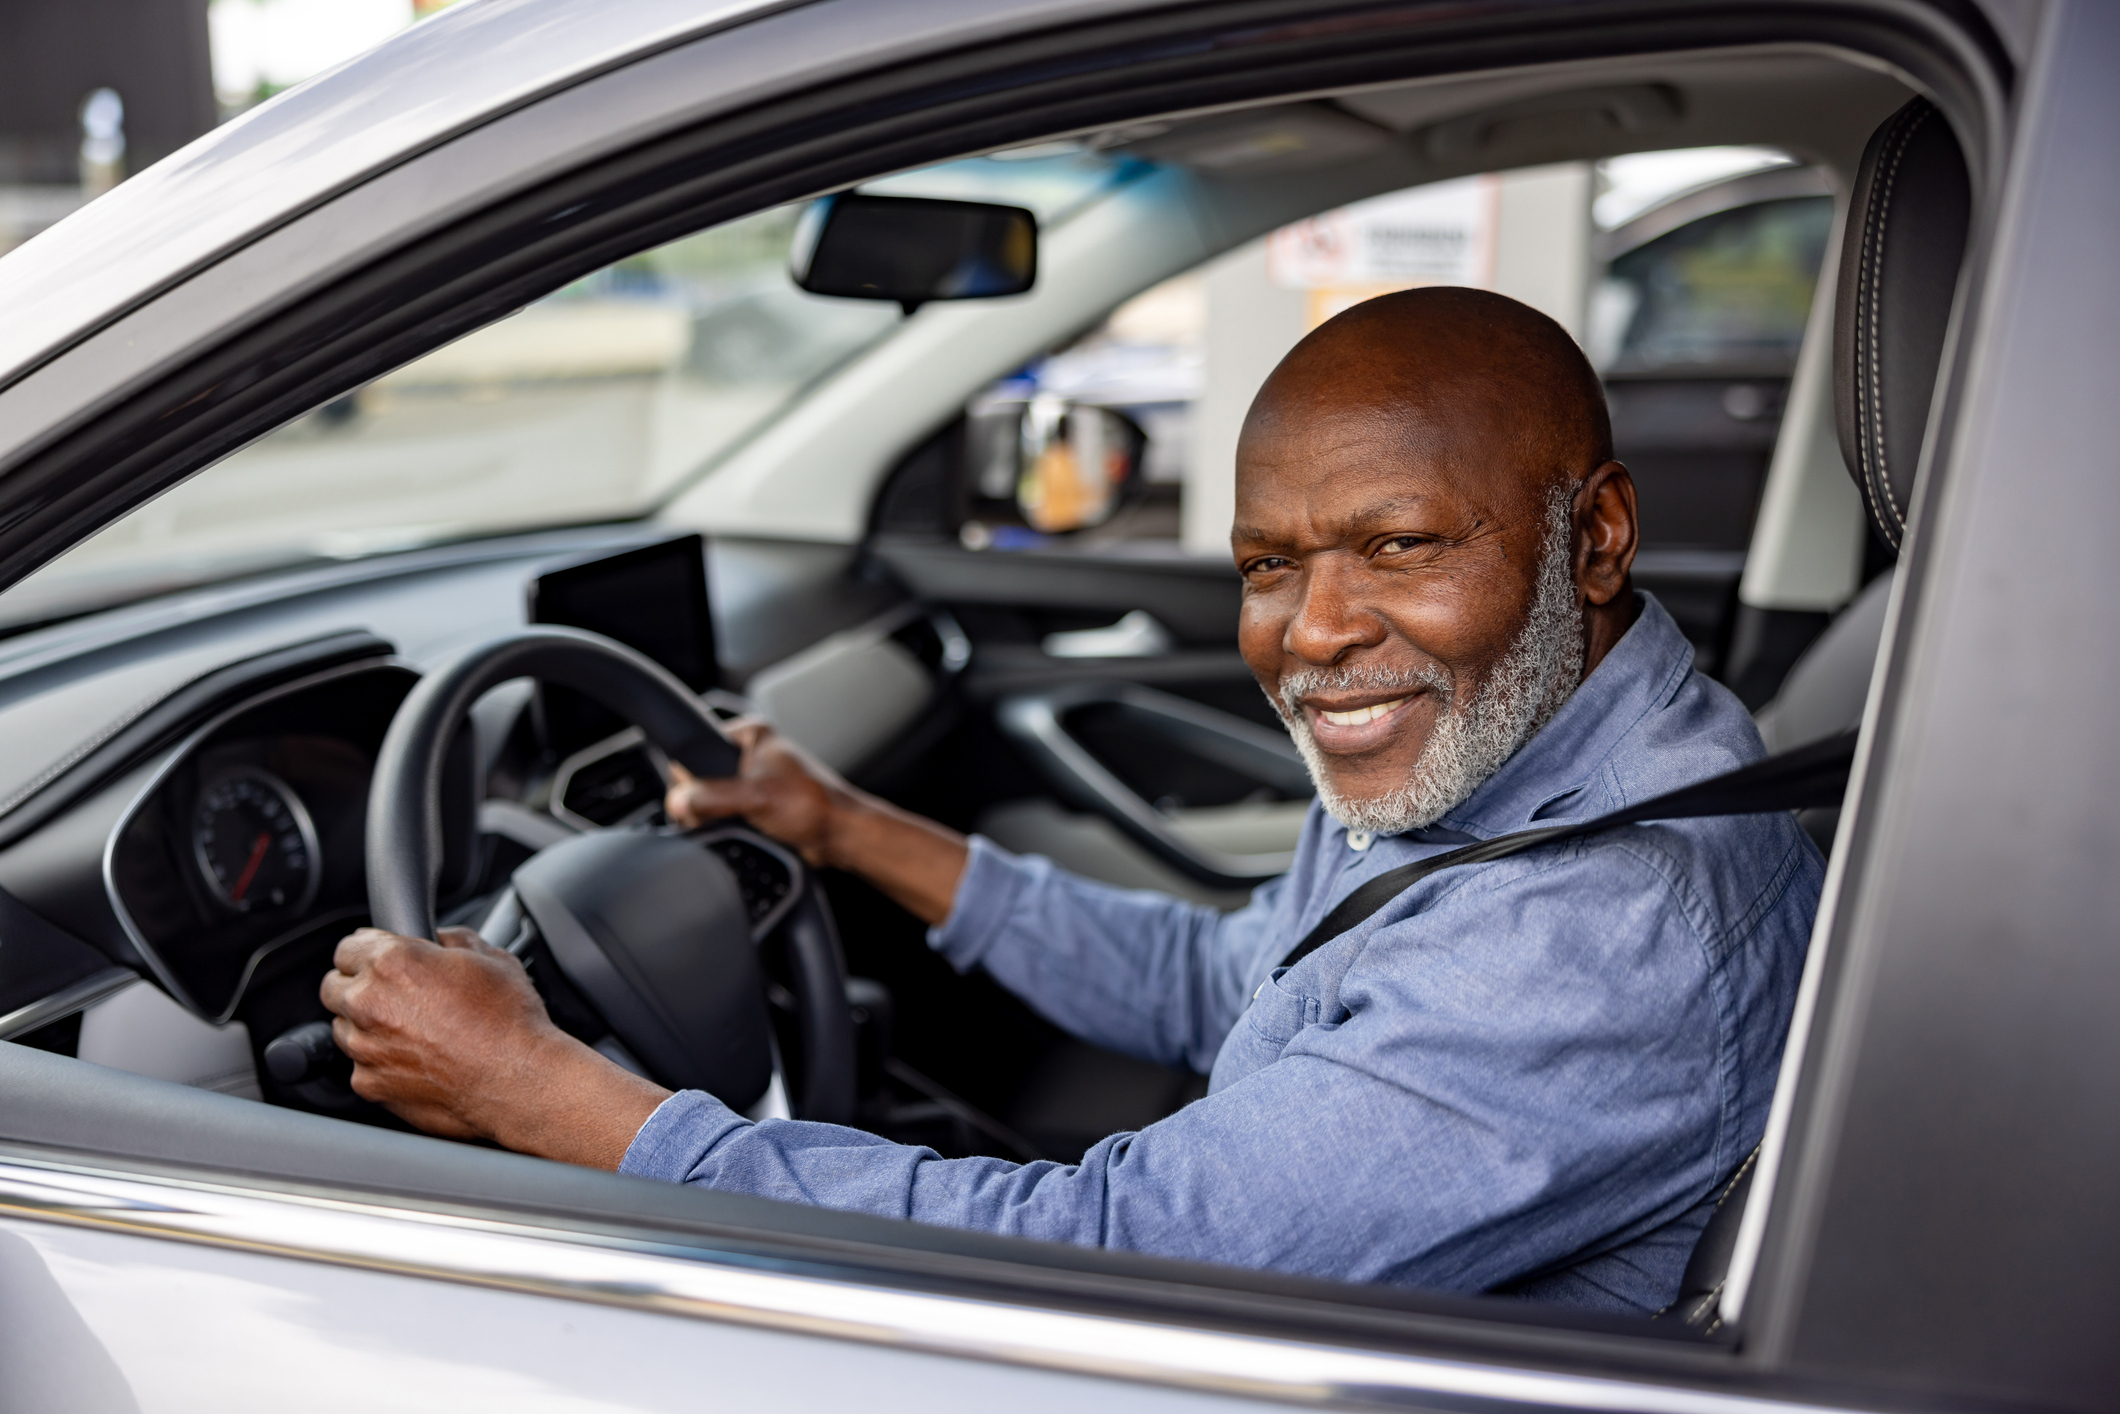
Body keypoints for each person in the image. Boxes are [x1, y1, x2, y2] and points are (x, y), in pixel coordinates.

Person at [320, 287, 1821, 1313]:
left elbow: (1117, 1255)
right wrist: (843, 827)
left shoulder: (1593, 929)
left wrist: (548, 1094)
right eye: (1268, 564)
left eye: (1402, 544)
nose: (1311, 632)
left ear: (1598, 537)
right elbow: (1230, 980)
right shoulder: (1514, 748)